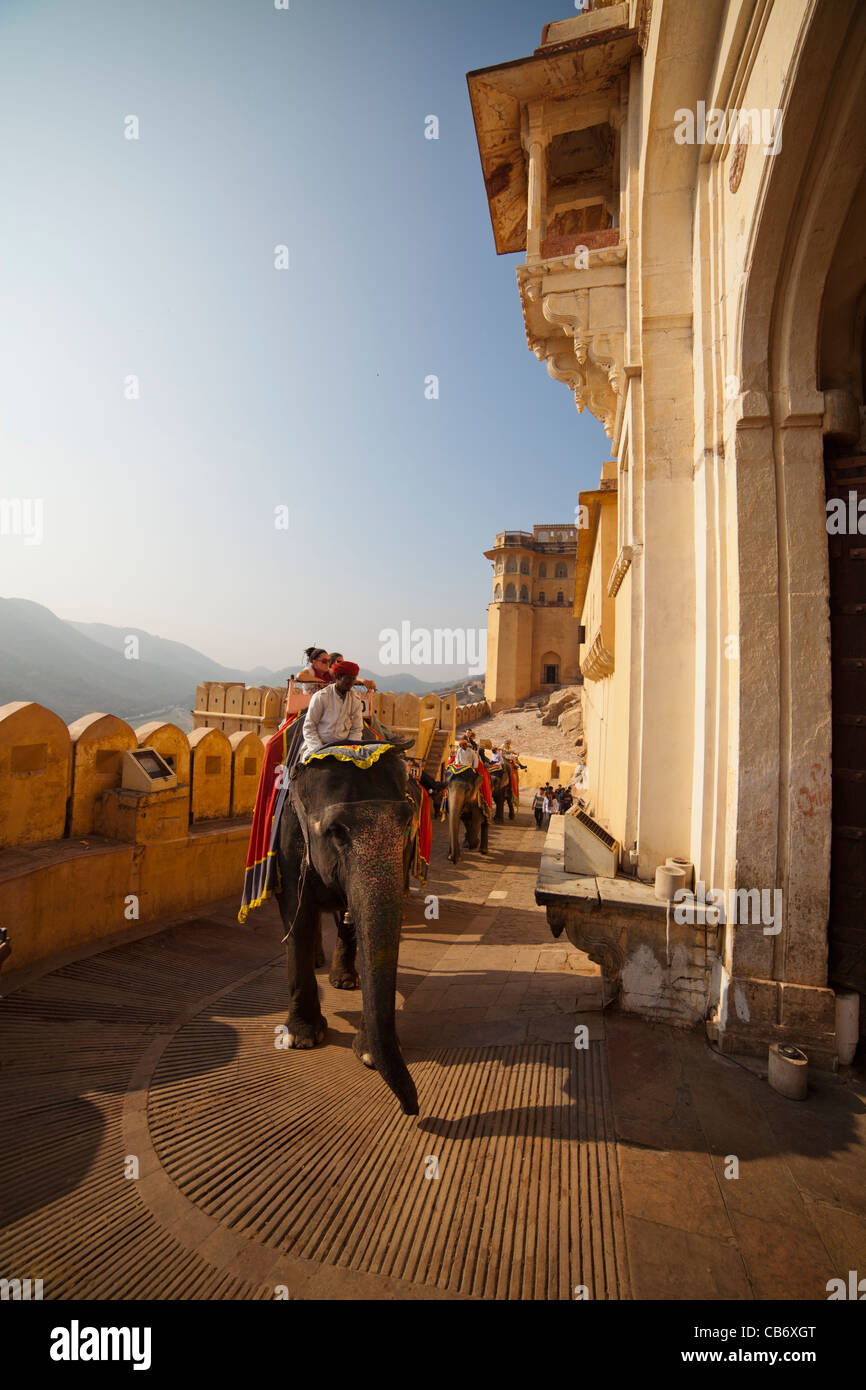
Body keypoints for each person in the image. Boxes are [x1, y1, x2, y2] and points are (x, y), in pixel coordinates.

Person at [301, 660, 365, 758]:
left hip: (345, 749)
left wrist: (350, 749)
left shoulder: (355, 700)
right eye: (348, 678)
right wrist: (319, 750)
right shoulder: (321, 696)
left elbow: (356, 729)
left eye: (353, 679)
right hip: (318, 746)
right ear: (338, 677)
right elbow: (309, 728)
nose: (351, 683)